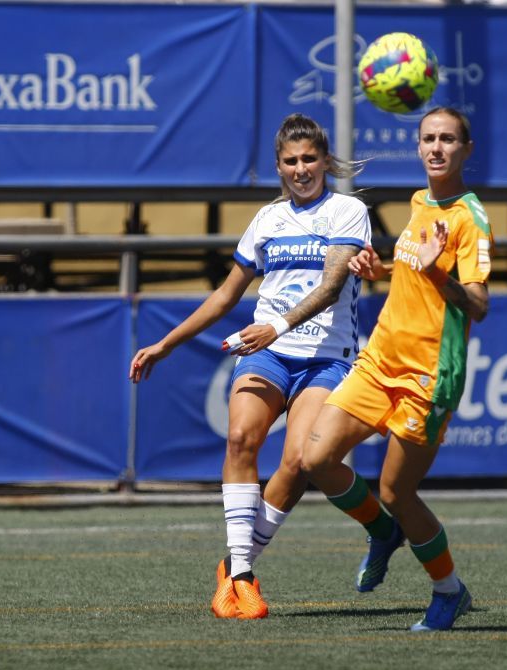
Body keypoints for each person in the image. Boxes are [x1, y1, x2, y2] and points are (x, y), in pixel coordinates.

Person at [129, 113, 370, 619]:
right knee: (241, 439)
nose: (301, 169)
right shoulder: (267, 219)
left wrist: (277, 325)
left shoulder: (348, 210)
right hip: (268, 351)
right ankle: (241, 576)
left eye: (309, 159)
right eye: (291, 161)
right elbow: (224, 295)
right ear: (279, 167)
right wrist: (166, 344)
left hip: (326, 357)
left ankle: (233, 567)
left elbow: (330, 288)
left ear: (325, 160)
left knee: (302, 462)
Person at [301, 107, 492, 631]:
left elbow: (477, 304)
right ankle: (384, 534)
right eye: (428, 138)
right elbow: (413, 274)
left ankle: (449, 591)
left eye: (448, 140)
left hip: (428, 374)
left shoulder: (469, 218)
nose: (436, 148)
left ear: (466, 150)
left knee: (396, 492)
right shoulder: (419, 201)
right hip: (380, 358)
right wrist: (379, 268)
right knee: (314, 458)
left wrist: (439, 271)